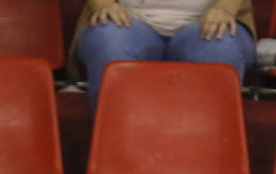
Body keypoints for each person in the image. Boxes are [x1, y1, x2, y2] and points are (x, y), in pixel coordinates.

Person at [71, 0, 256, 108]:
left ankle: (206, 158)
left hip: (210, 21)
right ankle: (118, 156)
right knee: (110, 40)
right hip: (128, 21)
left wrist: (225, 8)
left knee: (219, 46)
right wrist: (104, 4)